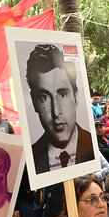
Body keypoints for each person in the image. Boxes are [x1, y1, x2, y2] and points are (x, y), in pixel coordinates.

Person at [27, 44, 94, 174]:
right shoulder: (30, 161)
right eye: (44, 97)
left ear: (76, 95)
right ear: (34, 102)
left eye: (62, 94)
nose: (56, 112)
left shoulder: (93, 147)